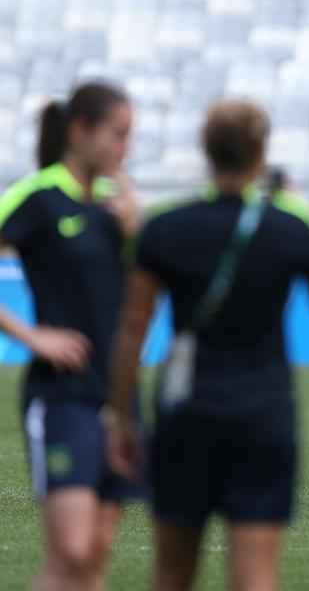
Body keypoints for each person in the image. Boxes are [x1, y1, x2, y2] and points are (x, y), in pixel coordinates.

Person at [105, 100, 309, 591]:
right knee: (255, 578)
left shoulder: (165, 228)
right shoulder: (289, 226)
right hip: (263, 413)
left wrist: (122, 416)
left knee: (172, 575)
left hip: (186, 412)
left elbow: (132, 330)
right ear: (261, 151)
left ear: (206, 150)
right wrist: (302, 213)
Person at [0, 82, 139, 590]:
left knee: (95, 556)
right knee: (73, 551)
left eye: (129, 137)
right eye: (117, 135)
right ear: (80, 131)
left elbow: (146, 292)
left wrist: (136, 229)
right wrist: (32, 336)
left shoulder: (117, 207)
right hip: (63, 394)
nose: (124, 148)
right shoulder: (38, 197)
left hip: (120, 397)